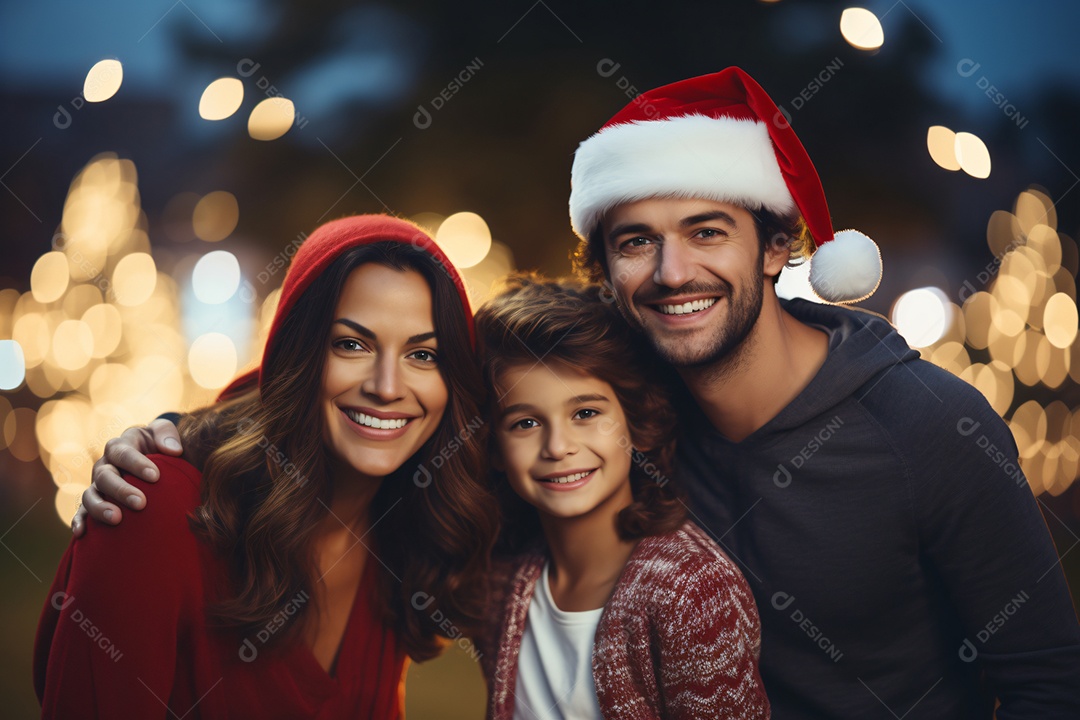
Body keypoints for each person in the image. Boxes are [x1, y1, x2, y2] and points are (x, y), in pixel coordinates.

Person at [566, 67, 1080, 717]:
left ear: (777, 247)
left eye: (706, 232)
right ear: (607, 271)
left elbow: (1050, 684)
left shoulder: (929, 424)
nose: (672, 272)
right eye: (636, 241)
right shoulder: (623, 429)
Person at [35, 215, 499, 718]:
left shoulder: (408, 529)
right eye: (351, 344)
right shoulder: (151, 505)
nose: (387, 386)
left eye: (424, 354)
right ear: (296, 356)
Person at [472, 274, 769, 719]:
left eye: (586, 413)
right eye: (525, 423)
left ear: (638, 422)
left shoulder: (693, 591)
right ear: (494, 448)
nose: (558, 447)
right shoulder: (501, 583)